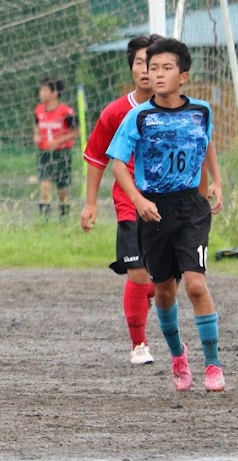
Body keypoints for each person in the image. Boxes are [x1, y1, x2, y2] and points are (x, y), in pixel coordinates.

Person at [107, 37, 226, 394]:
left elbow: (206, 142)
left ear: (183, 76)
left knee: (196, 285)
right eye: (152, 67)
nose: (157, 74)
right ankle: (178, 355)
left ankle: (213, 364)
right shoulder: (139, 116)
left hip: (190, 208)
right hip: (154, 211)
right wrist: (137, 199)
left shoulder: (201, 111)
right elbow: (118, 164)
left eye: (166, 68)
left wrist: (217, 181)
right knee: (163, 291)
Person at [80, 34, 157, 366]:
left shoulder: (176, 110)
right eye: (140, 63)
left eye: (152, 64)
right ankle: (139, 345)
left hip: (167, 202)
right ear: (131, 68)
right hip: (129, 203)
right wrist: (91, 203)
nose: (146, 70)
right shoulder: (115, 112)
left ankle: (149, 292)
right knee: (138, 273)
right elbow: (96, 157)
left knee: (162, 282)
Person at [34, 77, 78, 220]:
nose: (41, 93)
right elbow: (37, 126)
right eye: (41, 90)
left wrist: (58, 141)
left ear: (54, 93)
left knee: (62, 191)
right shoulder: (38, 110)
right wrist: (36, 136)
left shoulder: (66, 112)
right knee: (45, 188)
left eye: (44, 90)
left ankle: (64, 219)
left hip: (62, 154)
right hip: (45, 154)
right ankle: (44, 221)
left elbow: (76, 131)